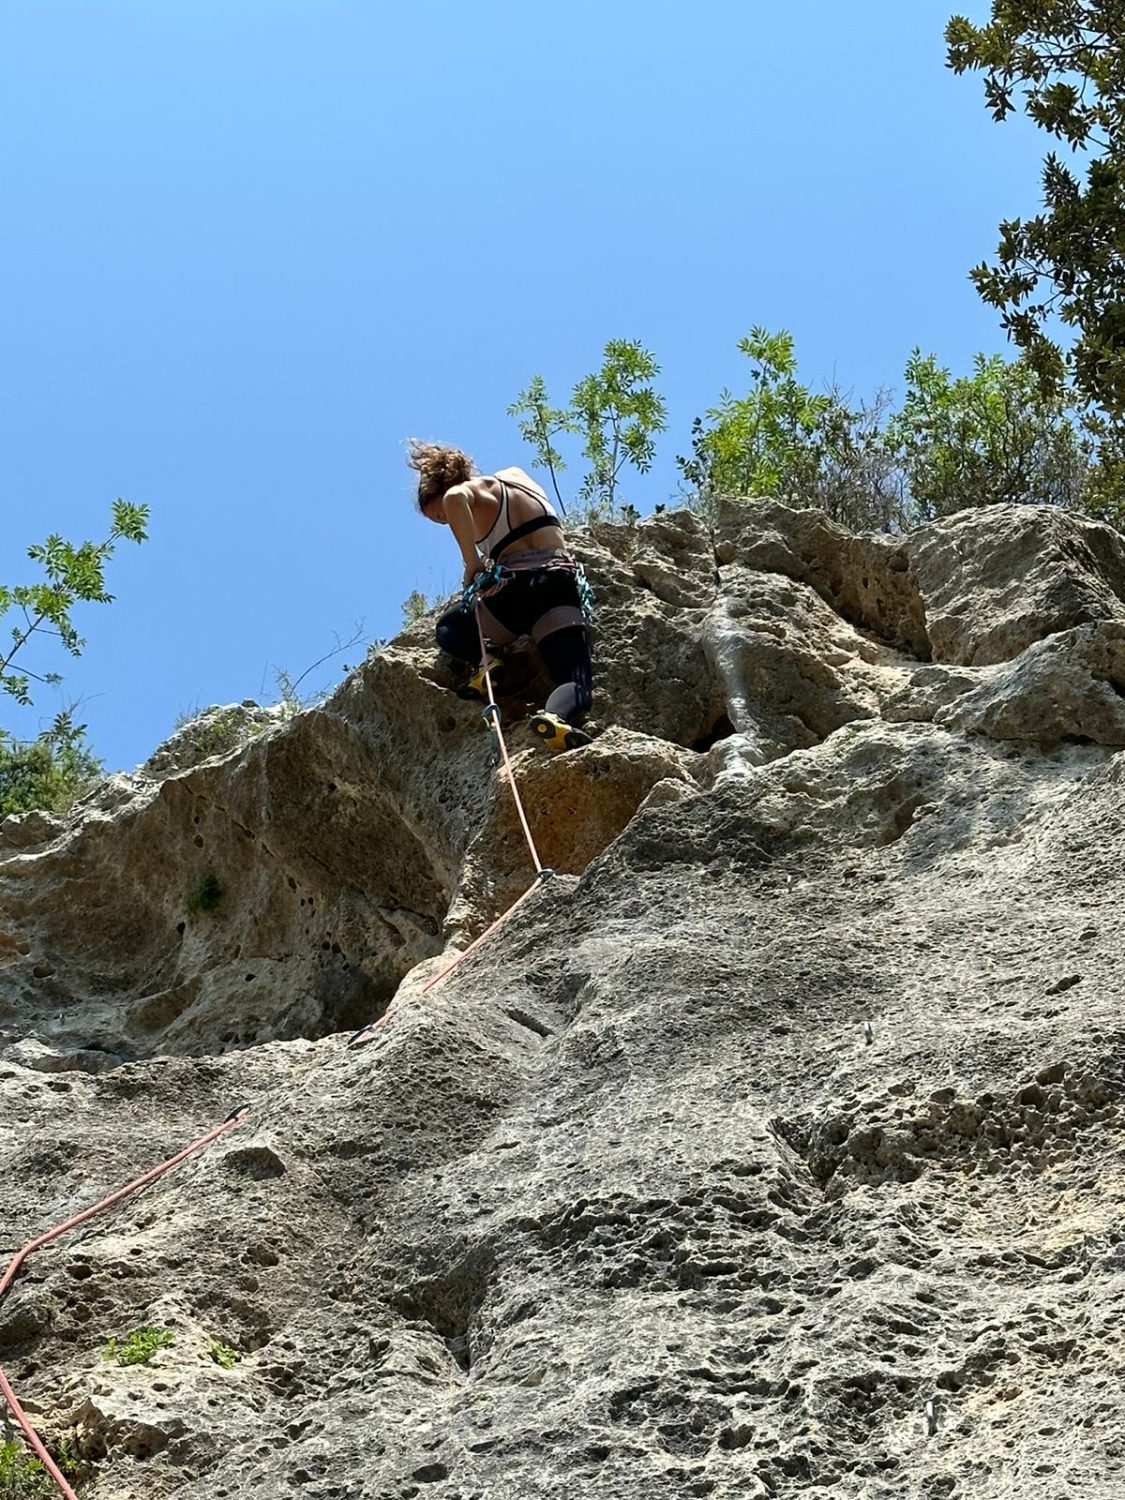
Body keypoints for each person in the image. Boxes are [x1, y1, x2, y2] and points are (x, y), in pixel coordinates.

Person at [408, 439, 593, 750]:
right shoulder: (516, 475)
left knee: (449, 628)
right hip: (558, 583)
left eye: (439, 517)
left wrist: (472, 562)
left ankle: (489, 663)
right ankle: (554, 717)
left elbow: (455, 499)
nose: (446, 522)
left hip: (516, 590)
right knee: (575, 680)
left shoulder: (467, 492)